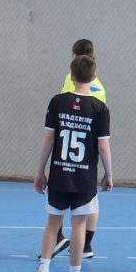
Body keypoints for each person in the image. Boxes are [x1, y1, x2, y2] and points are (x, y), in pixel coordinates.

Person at [31, 54, 113, 272]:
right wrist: (109, 173)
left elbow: (48, 139)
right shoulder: (99, 108)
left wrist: (40, 171)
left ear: (71, 75)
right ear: (94, 76)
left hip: (59, 173)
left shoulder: (57, 102)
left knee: (52, 223)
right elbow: (103, 146)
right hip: (83, 177)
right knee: (79, 224)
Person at [51, 38, 107, 258]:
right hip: (89, 148)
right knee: (90, 199)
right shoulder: (99, 86)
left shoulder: (70, 78)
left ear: (74, 57)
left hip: (69, 145)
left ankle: (57, 238)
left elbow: (65, 108)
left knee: (60, 198)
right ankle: (86, 246)